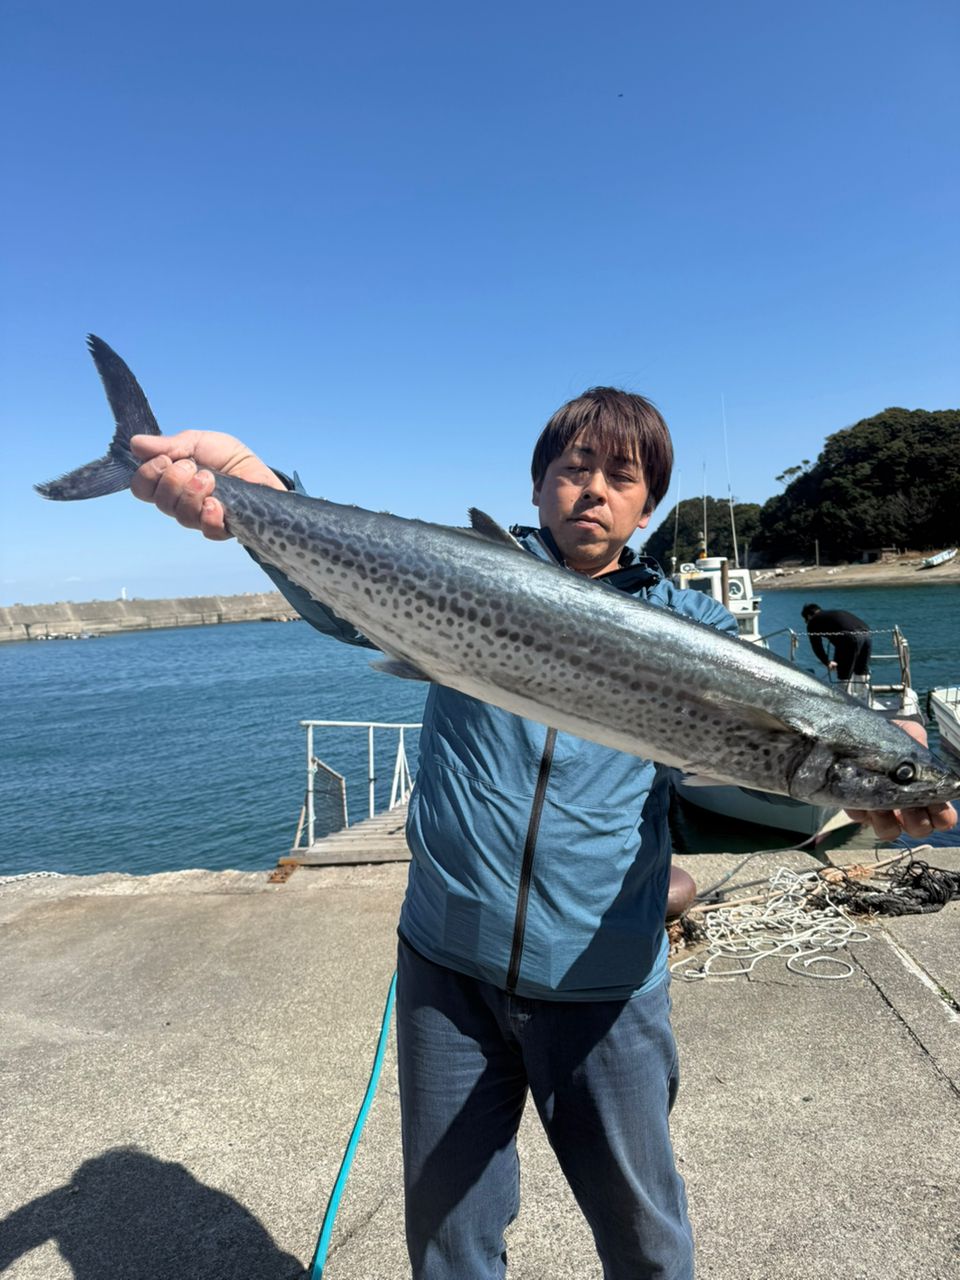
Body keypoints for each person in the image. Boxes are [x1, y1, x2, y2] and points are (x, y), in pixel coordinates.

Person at [128, 390, 956, 1279]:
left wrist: (878, 780)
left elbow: (772, 761)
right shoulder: (475, 572)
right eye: (573, 469)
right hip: (448, 967)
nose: (592, 490)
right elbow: (339, 598)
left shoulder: (699, 628)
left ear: (649, 507)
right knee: (448, 1236)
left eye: (621, 477)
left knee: (643, 1235)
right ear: (537, 488)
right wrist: (246, 484)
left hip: (602, 984)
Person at [801, 602, 872, 699]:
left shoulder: (813, 621)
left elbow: (817, 646)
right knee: (861, 670)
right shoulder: (834, 613)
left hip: (848, 637)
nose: (806, 623)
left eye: (806, 620)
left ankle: (845, 702)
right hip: (867, 635)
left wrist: (827, 662)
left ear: (808, 616)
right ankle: (864, 698)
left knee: (844, 674)